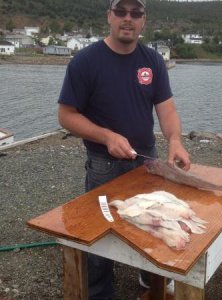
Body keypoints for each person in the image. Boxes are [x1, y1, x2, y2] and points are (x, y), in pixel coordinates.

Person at [58, 0, 190, 299]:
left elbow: (166, 109)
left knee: (152, 221)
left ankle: (149, 278)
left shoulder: (153, 60)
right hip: (104, 163)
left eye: (136, 13)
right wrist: (106, 136)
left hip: (148, 159)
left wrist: (175, 141)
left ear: (144, 21)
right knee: (102, 229)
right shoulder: (85, 61)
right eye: (121, 12)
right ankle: (100, 291)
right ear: (109, 17)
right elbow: (66, 115)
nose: (128, 19)